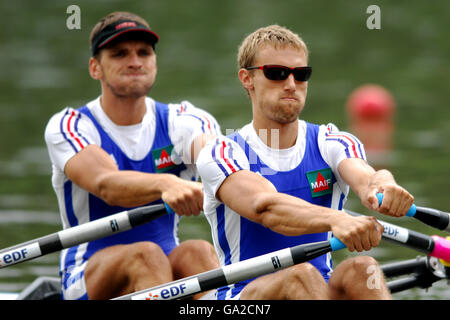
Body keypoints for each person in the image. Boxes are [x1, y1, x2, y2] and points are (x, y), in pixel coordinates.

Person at [196, 25, 414, 300]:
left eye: (301, 74)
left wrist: (384, 184)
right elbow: (266, 207)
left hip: (317, 291)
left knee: (364, 268)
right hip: (243, 296)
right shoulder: (223, 152)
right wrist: (337, 219)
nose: (290, 84)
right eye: (276, 73)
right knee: (301, 275)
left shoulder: (332, 141)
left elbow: (367, 178)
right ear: (247, 79)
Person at [44, 11, 221, 300]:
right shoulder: (70, 125)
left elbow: (217, 160)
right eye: (119, 54)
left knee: (198, 251)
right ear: (95, 68)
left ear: (154, 62)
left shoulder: (186, 120)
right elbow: (106, 184)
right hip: (87, 278)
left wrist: (223, 177)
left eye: (144, 52)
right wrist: (167, 184)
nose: (135, 62)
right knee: (146, 255)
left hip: (164, 269)